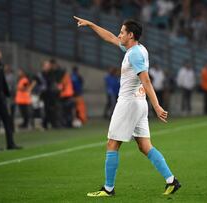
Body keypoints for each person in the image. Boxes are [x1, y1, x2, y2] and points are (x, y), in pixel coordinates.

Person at [73, 16, 181, 196]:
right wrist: (91, 24)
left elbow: (146, 80)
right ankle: (172, 181)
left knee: (112, 144)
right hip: (138, 103)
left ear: (131, 35)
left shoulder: (135, 54)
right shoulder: (137, 49)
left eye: (122, 32)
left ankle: (108, 189)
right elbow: (110, 38)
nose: (119, 34)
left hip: (129, 103)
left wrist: (157, 106)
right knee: (145, 146)